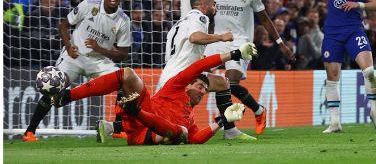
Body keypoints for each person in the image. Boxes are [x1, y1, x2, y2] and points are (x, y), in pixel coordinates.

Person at [49, 40, 258, 146]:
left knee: (184, 133)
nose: (203, 92)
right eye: (200, 87)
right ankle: (66, 96)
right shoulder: (175, 87)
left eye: (205, 89)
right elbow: (199, 66)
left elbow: (197, 139)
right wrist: (235, 53)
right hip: (141, 114)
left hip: (143, 134)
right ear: (188, 86)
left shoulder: (191, 119)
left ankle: (118, 121)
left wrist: (223, 120)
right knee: (129, 75)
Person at [290, 0, 376, 132]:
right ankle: (335, 123)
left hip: (353, 30)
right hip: (332, 32)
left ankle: (375, 111)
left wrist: (358, 4)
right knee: (332, 77)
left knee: (368, 71)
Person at [22, 0, 131, 142]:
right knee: (54, 84)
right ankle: (30, 131)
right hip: (74, 56)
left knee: (124, 80)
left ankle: (117, 128)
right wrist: (68, 45)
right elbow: (63, 25)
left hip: (99, 61)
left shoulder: (124, 21)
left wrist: (100, 49)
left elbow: (123, 54)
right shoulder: (88, 5)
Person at [155, 0, 256, 141]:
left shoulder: (180, 23)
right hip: (179, 78)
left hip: (171, 74)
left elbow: (185, 50)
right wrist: (221, 37)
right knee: (174, 133)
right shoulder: (199, 16)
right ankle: (115, 126)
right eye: (213, 4)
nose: (215, 7)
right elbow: (195, 37)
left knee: (222, 83)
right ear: (204, 5)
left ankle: (230, 130)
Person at [208, 0, 293, 134]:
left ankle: (230, 127)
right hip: (216, 40)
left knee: (229, 82)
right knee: (196, 77)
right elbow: (208, 17)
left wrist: (281, 43)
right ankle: (258, 111)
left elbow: (264, 18)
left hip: (241, 42)